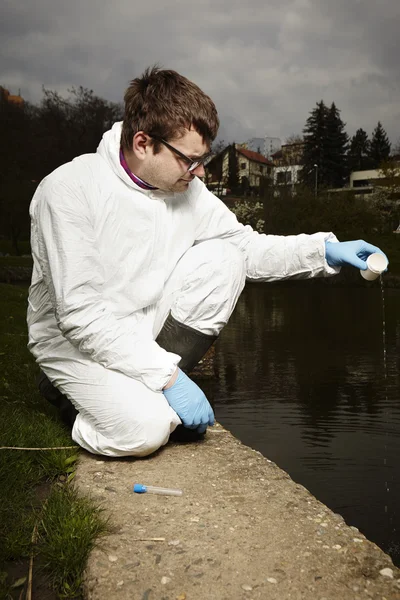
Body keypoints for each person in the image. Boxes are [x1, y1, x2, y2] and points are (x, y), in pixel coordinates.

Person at [27, 66, 387, 458]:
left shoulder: (187, 189)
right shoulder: (68, 191)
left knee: (226, 257)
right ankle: (63, 393)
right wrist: (169, 378)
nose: (199, 172)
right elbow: (81, 316)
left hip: (140, 325)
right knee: (142, 432)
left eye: (203, 159)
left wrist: (324, 250)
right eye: (189, 160)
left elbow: (245, 248)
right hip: (74, 340)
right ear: (144, 142)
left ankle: (145, 385)